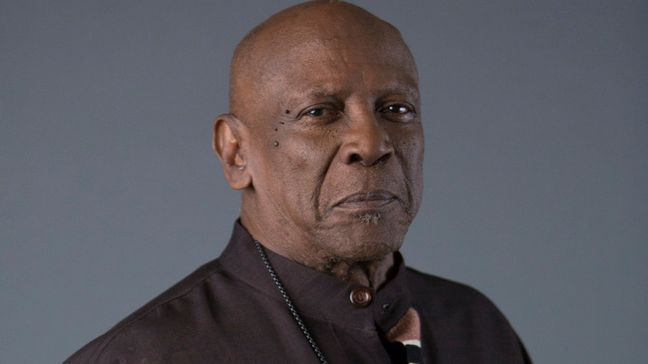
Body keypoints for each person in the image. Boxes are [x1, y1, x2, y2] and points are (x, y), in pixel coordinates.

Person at [66, 1, 531, 363]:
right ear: (235, 152)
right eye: (318, 112)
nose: (371, 143)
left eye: (396, 109)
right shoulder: (142, 356)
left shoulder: (477, 328)